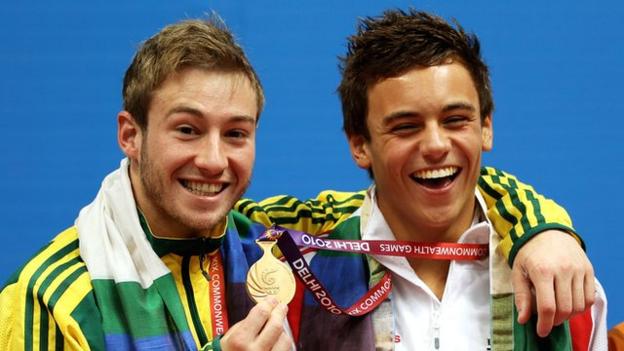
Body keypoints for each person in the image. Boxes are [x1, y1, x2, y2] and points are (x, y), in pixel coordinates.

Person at [0, 15, 597, 351]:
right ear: (129, 135)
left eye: (235, 134)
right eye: (187, 129)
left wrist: (541, 223)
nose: (213, 161)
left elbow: (438, 190)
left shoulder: (272, 243)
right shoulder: (47, 298)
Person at [235, 9, 608, 350]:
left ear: (486, 127)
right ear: (359, 144)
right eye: (406, 127)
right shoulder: (296, 283)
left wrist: (545, 229)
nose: (435, 145)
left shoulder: (564, 281)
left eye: (455, 120)